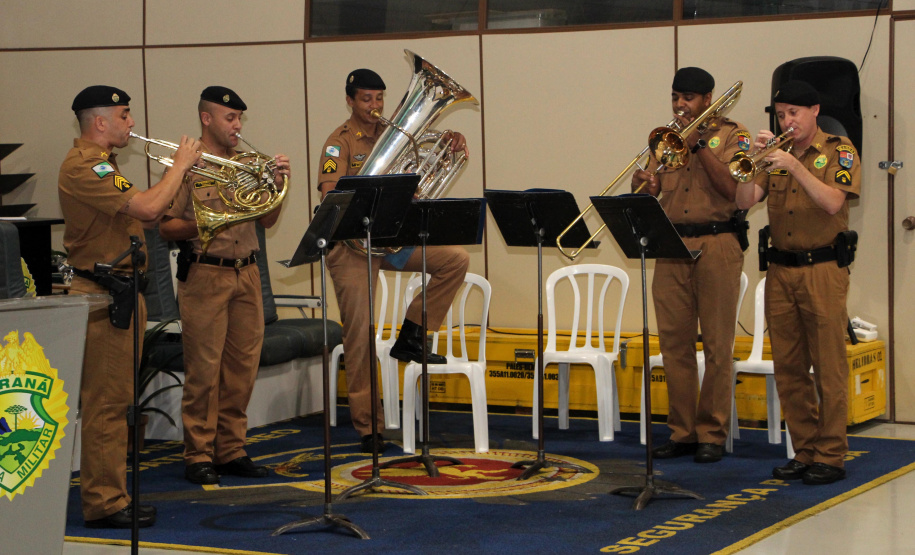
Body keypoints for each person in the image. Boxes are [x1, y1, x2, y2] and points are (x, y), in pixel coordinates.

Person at [59, 85, 201, 528]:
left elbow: (151, 215)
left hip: (122, 293)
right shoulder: (85, 166)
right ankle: (104, 503)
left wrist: (183, 177)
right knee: (105, 403)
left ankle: (113, 495)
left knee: (117, 400)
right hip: (103, 295)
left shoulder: (106, 163)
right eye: (124, 115)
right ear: (100, 121)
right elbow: (146, 205)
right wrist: (178, 166)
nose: (131, 122)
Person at [318, 68, 470, 453]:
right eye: (366, 99)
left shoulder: (398, 136)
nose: (375, 106)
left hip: (388, 240)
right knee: (360, 333)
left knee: (455, 259)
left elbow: (420, 176)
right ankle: (369, 426)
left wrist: (449, 145)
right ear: (350, 101)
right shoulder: (339, 143)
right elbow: (330, 193)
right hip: (351, 247)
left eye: (380, 98)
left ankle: (412, 334)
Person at [159, 86, 290, 485]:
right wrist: (210, 223)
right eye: (230, 118)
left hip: (247, 273)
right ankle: (198, 454)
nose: (237, 126)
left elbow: (267, 220)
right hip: (206, 273)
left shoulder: (249, 164)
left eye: (239, 119)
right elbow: (165, 226)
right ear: (207, 118)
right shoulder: (188, 165)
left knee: (241, 370)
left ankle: (231, 449)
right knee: (204, 370)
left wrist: (277, 184)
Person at [736, 80, 860, 485]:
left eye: (794, 113)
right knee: (789, 368)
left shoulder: (839, 150)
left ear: (814, 111)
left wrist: (794, 166)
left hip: (822, 269)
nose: (787, 121)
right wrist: (753, 160)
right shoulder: (776, 154)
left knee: (828, 367)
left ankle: (831, 455)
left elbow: (833, 203)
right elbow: (744, 201)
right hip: (780, 271)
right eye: (781, 114)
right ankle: (804, 451)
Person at [632, 67, 751, 464]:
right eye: (675, 97)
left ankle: (712, 434)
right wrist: (644, 187)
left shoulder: (733, 135)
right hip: (671, 244)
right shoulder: (664, 138)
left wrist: (699, 145)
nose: (680, 104)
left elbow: (732, 190)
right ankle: (682, 432)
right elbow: (649, 191)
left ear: (708, 99)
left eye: (688, 98)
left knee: (717, 344)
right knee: (674, 345)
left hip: (718, 242)